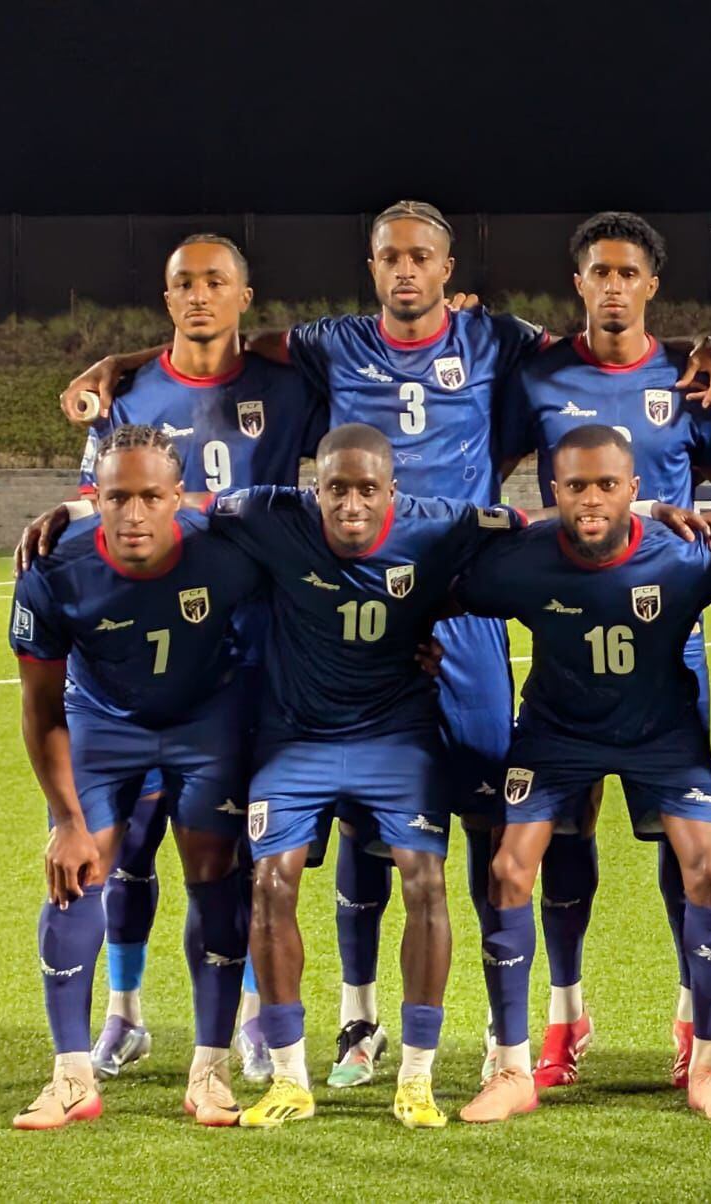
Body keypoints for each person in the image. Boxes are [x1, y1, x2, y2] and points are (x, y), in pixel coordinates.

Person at [55, 202, 711, 1090]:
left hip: (465, 606)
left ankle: (510, 1036)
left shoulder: (501, 340)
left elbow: (605, 337)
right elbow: (223, 339)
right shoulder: (331, 344)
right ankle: (358, 1017)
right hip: (354, 600)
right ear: (371, 268)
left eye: (422, 257)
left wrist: (698, 348)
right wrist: (125, 362)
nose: (406, 271)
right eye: (390, 258)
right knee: (360, 818)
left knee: (504, 817)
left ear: (449, 269)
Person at [493, 212, 711, 1089]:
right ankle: (565, 1011)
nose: (612, 285)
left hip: (665, 634)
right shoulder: (536, 371)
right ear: (580, 284)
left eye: (628, 273)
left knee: (681, 842)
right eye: (598, 272)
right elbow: (480, 472)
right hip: (570, 620)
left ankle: (694, 1016)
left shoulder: (690, 379)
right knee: (564, 832)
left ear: (651, 285)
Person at [205, 423, 523, 1129]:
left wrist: (656, 513)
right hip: (298, 740)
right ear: (313, 489)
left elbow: (537, 525)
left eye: (367, 490)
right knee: (270, 882)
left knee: (425, 879)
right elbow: (182, 504)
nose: (351, 505)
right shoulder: (270, 514)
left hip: (397, 738)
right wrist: (73, 511)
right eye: (336, 490)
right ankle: (288, 1078)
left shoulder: (438, 524)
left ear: (393, 492)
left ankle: (416, 1077)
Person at [62, 233, 324, 1085]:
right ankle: (124, 1014)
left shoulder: (288, 389)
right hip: (142, 656)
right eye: (185, 284)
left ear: (247, 296)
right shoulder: (130, 390)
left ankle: (250, 1017)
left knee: (232, 853)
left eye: (217, 282)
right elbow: (90, 502)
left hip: (250, 653)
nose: (200, 295)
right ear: (166, 297)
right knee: (127, 847)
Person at [450, 425, 711, 1123]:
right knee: (507, 870)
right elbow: (434, 593)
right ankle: (512, 1068)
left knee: (706, 865)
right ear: (552, 492)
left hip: (662, 735)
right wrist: (415, 655)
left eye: (607, 486)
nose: (591, 499)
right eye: (576, 486)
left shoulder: (685, 557)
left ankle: (708, 1063)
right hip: (558, 735)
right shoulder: (517, 563)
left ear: (634, 492)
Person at [9, 426, 262, 1129]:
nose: (133, 513)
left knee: (216, 872)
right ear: (95, 497)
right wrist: (63, 819)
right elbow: (39, 706)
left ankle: (210, 1072)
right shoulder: (54, 568)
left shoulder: (227, 550)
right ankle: (72, 1078)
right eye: (115, 496)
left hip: (205, 721)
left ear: (178, 498)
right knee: (75, 872)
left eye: (152, 495)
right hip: (102, 723)